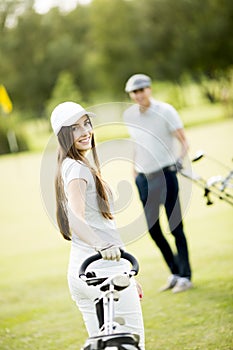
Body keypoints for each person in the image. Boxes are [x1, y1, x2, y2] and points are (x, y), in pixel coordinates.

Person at [50, 101, 145, 348]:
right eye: (74, 128)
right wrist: (101, 245)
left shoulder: (71, 165)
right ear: (62, 136)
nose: (85, 132)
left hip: (84, 273)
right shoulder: (78, 169)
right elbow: (75, 217)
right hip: (102, 273)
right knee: (132, 346)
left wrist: (125, 272)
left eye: (86, 123)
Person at [123, 74, 192, 293]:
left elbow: (183, 140)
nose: (138, 95)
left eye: (141, 90)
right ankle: (174, 271)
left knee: (175, 227)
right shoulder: (129, 115)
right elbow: (136, 143)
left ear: (149, 90)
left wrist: (179, 160)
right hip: (144, 178)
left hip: (166, 174)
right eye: (134, 92)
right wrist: (134, 171)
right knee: (153, 230)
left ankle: (185, 276)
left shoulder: (166, 110)